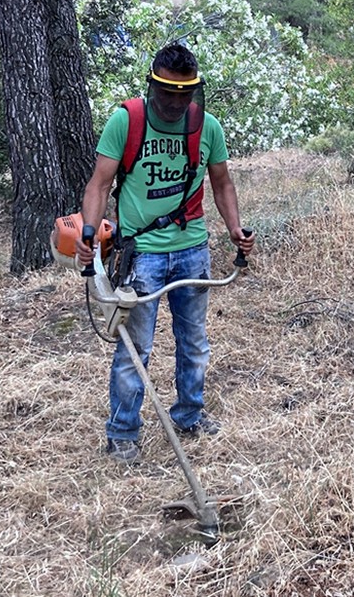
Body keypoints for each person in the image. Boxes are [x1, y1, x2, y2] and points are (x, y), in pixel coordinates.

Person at [76, 43, 254, 465]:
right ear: (153, 85)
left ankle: (189, 415)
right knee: (134, 348)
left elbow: (223, 183)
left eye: (184, 93)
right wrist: (88, 231)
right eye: (168, 92)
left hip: (192, 249)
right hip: (143, 256)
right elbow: (99, 185)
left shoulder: (207, 126)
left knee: (193, 342)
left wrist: (233, 229)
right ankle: (122, 433)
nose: (176, 102)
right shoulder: (127, 121)